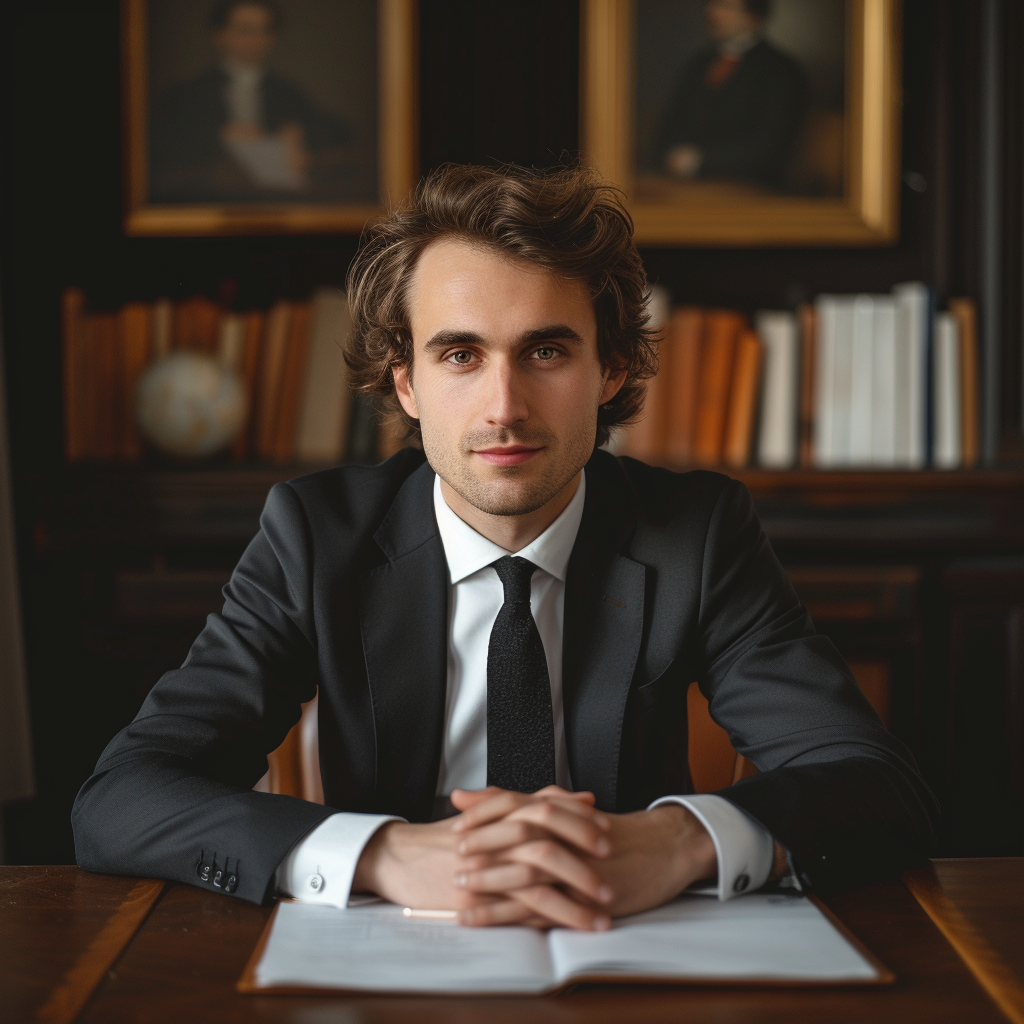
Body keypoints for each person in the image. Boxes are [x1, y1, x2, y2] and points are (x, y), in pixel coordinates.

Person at [73, 164, 938, 931]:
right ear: (405, 381)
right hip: (387, 965)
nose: (504, 406)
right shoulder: (314, 536)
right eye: (460, 354)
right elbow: (122, 799)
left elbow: (874, 783)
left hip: (627, 954)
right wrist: (387, 855)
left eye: (547, 350)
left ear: (611, 370)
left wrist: (674, 841)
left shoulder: (697, 534)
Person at [149, 0, 354, 203]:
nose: (257, 40)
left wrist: (300, 135)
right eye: (246, 30)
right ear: (219, 35)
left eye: (265, 31)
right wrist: (220, 136)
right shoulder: (186, 94)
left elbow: (340, 130)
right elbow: (161, 145)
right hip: (209, 204)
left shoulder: (285, 91)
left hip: (274, 202)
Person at [657, 0, 809, 190]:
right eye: (712, 4)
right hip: (684, 184)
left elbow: (769, 149)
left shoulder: (781, 70)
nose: (712, 12)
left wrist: (700, 162)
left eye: (725, 6)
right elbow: (669, 122)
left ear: (753, 17)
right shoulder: (699, 63)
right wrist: (671, 155)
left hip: (751, 189)